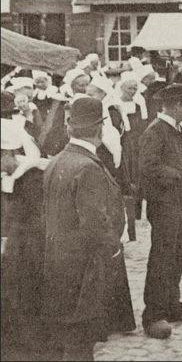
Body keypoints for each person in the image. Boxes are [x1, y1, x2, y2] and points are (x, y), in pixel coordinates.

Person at [41, 96, 128, 361]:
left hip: (57, 265)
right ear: (100, 129)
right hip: (84, 268)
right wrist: (113, 251)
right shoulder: (88, 167)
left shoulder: (56, 161)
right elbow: (94, 226)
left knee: (67, 339)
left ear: (70, 128)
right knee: (81, 342)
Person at [139, 83, 182, 339]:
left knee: (176, 256)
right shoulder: (155, 132)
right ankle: (153, 315)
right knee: (161, 259)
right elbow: (148, 168)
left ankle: (172, 305)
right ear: (176, 105)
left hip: (176, 204)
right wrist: (178, 177)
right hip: (163, 205)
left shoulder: (174, 130)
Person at [1, 93, 52, 360]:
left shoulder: (31, 178)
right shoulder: (10, 176)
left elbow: (31, 229)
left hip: (25, 261)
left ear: (10, 153)